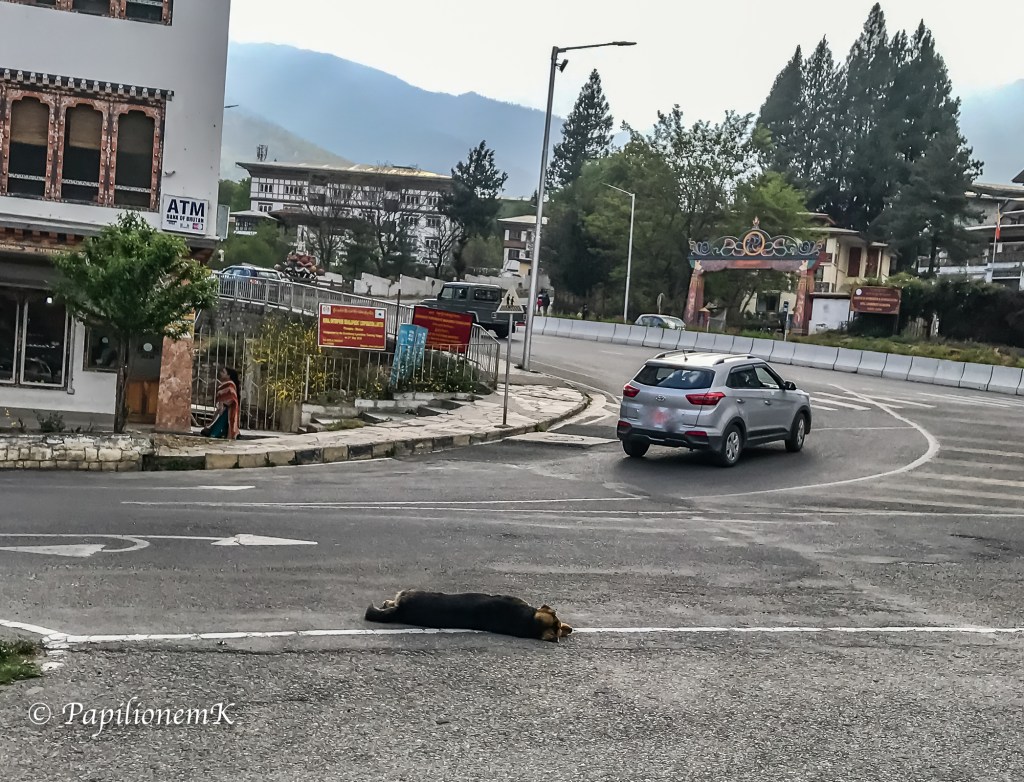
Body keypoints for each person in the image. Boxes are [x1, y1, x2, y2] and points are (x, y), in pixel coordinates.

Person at [202, 366, 240, 440]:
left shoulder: (230, 385)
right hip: (222, 410)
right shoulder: (224, 385)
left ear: (228, 375)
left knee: (216, 432)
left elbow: (232, 398)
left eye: (223, 372)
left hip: (227, 411)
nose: (221, 373)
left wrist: (224, 404)